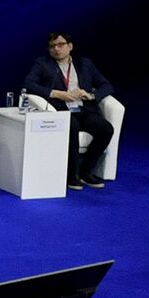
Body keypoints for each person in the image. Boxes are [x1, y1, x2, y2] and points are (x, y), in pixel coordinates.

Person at [23, 31, 116, 190]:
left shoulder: (85, 64)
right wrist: (57, 94)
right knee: (71, 126)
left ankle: (85, 170)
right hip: (60, 110)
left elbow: (107, 86)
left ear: (70, 46)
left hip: (83, 109)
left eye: (60, 45)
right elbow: (28, 84)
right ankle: (72, 175)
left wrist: (91, 95)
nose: (56, 49)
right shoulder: (42, 64)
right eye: (52, 46)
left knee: (106, 129)